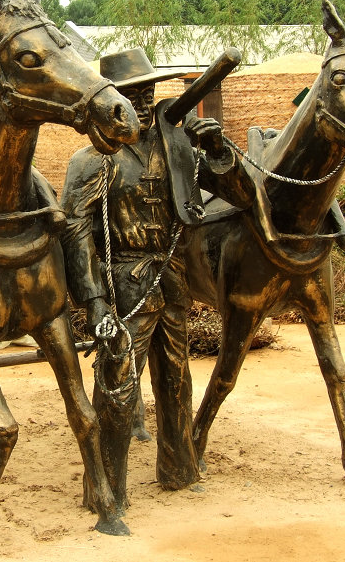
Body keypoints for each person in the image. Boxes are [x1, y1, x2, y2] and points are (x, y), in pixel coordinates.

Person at [60, 47, 255, 510]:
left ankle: (179, 467)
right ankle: (106, 489)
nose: (143, 101)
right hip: (123, 279)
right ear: (113, 102)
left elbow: (243, 195)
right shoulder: (93, 160)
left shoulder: (178, 146)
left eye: (148, 91)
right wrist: (94, 300)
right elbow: (73, 230)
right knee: (118, 385)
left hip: (172, 276)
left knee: (176, 376)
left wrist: (219, 151)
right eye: (131, 94)